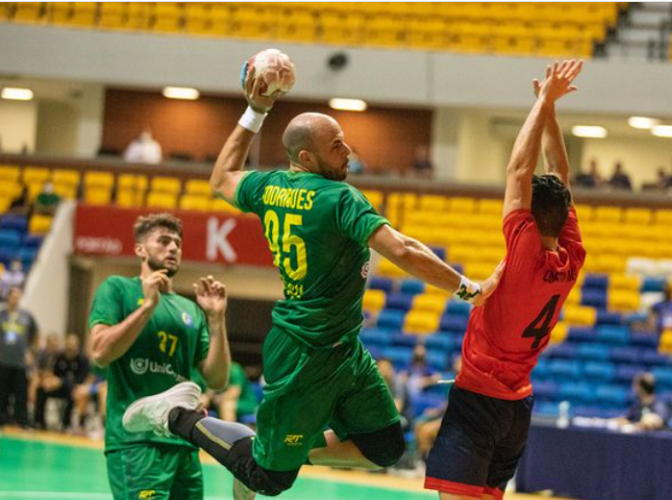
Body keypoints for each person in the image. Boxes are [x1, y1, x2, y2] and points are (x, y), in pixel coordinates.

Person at [120, 61, 497, 500]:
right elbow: (404, 251)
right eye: (336, 145)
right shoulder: (338, 198)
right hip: (304, 353)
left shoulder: (271, 187)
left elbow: (220, 179)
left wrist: (254, 112)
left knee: (386, 446)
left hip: (343, 350)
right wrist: (468, 289)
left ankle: (261, 450)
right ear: (306, 157)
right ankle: (180, 415)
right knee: (269, 480)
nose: (349, 150)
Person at [423, 60, 586, 500]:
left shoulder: (525, 253)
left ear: (530, 218)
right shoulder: (571, 255)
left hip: (480, 400)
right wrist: (546, 107)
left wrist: (544, 102)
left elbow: (518, 172)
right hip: (517, 407)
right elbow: (561, 177)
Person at [88, 213, 231, 500]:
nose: (173, 248)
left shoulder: (189, 309)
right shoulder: (118, 289)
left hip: (184, 441)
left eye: (177, 243)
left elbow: (217, 379)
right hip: (136, 442)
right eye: (164, 241)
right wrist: (147, 307)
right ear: (140, 249)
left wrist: (216, 321)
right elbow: (100, 353)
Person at [34, 334, 90, 430]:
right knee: (41, 389)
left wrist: (62, 381)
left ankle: (66, 424)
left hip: (73, 388)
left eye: (72, 346)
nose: (70, 348)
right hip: (58, 388)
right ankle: (39, 422)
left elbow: (81, 379)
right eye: (68, 346)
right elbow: (54, 374)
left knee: (75, 393)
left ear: (77, 346)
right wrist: (50, 381)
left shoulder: (83, 360)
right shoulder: (59, 357)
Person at [0, 286, 38, 427]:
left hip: (20, 362)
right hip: (3, 360)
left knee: (20, 392)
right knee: (2, 392)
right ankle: (2, 418)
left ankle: (21, 420)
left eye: (17, 296)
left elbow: (35, 335)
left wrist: (31, 351)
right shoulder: (2, 315)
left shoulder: (27, 316)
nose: (15, 299)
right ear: (8, 297)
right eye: (12, 296)